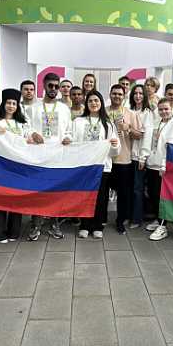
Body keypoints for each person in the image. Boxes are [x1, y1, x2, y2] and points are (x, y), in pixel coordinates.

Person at [28, 72, 73, 240]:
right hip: (38, 156)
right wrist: (33, 133)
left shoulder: (64, 109)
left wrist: (68, 137)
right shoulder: (33, 108)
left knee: (56, 191)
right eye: (50, 86)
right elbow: (26, 127)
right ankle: (36, 223)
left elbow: (69, 130)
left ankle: (54, 223)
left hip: (58, 156)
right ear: (44, 86)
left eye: (56, 86)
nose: (54, 89)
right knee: (38, 191)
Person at [71, 91, 120, 239]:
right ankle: (84, 225)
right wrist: (67, 139)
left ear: (101, 103)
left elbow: (115, 150)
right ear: (87, 103)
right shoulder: (78, 122)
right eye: (91, 101)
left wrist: (115, 145)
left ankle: (98, 225)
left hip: (102, 166)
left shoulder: (108, 124)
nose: (94, 103)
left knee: (101, 197)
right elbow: (72, 141)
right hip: (84, 166)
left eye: (97, 101)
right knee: (84, 196)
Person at [0, 88, 35, 243]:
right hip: (1, 166)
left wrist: (29, 139)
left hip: (18, 166)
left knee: (17, 198)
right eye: (8, 103)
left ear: (17, 106)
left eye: (14, 103)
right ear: (3, 104)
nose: (10, 106)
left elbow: (28, 137)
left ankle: (14, 231)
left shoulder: (21, 123)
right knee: (0, 199)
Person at [107, 84, 141, 234]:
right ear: (110, 95)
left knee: (123, 193)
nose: (117, 96)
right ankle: (100, 218)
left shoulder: (131, 114)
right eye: (114, 93)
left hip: (124, 159)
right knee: (102, 192)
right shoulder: (104, 111)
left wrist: (128, 128)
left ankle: (120, 220)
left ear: (124, 96)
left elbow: (139, 135)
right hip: (105, 159)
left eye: (120, 94)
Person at [145, 99, 173, 240]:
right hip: (153, 164)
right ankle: (158, 219)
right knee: (153, 194)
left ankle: (163, 226)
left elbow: (170, 146)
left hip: (163, 166)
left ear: (172, 109)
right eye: (161, 109)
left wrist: (164, 164)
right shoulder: (158, 122)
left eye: (166, 109)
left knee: (162, 197)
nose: (163, 112)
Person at [129, 84, 153, 230]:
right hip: (126, 156)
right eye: (135, 93)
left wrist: (143, 157)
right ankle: (128, 215)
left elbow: (146, 136)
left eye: (140, 93)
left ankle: (137, 218)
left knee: (138, 189)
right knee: (128, 188)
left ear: (144, 96)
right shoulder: (129, 111)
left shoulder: (147, 113)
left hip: (138, 157)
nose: (138, 96)